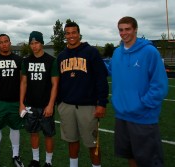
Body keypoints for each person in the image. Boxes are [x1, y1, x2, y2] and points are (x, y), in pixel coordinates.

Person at [108, 16, 168, 167]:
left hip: (143, 117)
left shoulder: (149, 52)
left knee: (149, 161)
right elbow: (109, 69)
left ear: (135, 29)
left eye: (127, 29)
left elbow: (160, 85)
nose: (124, 33)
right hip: (122, 116)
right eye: (121, 30)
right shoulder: (117, 53)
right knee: (131, 156)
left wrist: (142, 104)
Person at [56, 22, 109, 167]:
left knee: (92, 144)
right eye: (68, 33)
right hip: (67, 105)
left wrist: (102, 103)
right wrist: (59, 103)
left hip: (88, 106)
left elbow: (101, 79)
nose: (71, 36)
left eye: (74, 32)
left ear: (79, 34)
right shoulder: (61, 56)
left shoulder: (91, 52)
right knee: (71, 141)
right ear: (65, 35)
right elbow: (58, 82)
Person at [20, 31, 59, 167]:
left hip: (45, 104)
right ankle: (35, 160)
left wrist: (50, 105)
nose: (34, 46)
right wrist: (21, 103)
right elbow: (23, 83)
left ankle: (48, 161)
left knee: (48, 134)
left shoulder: (51, 61)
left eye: (36, 43)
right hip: (30, 104)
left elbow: (55, 85)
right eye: (32, 43)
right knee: (33, 133)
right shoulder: (26, 61)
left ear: (41, 43)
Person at [0, 34, 24, 167]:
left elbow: (22, 82)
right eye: (0, 42)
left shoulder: (19, 60)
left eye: (6, 41)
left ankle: (16, 155)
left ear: (10, 42)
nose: (4, 44)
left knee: (15, 128)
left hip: (15, 102)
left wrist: (22, 102)